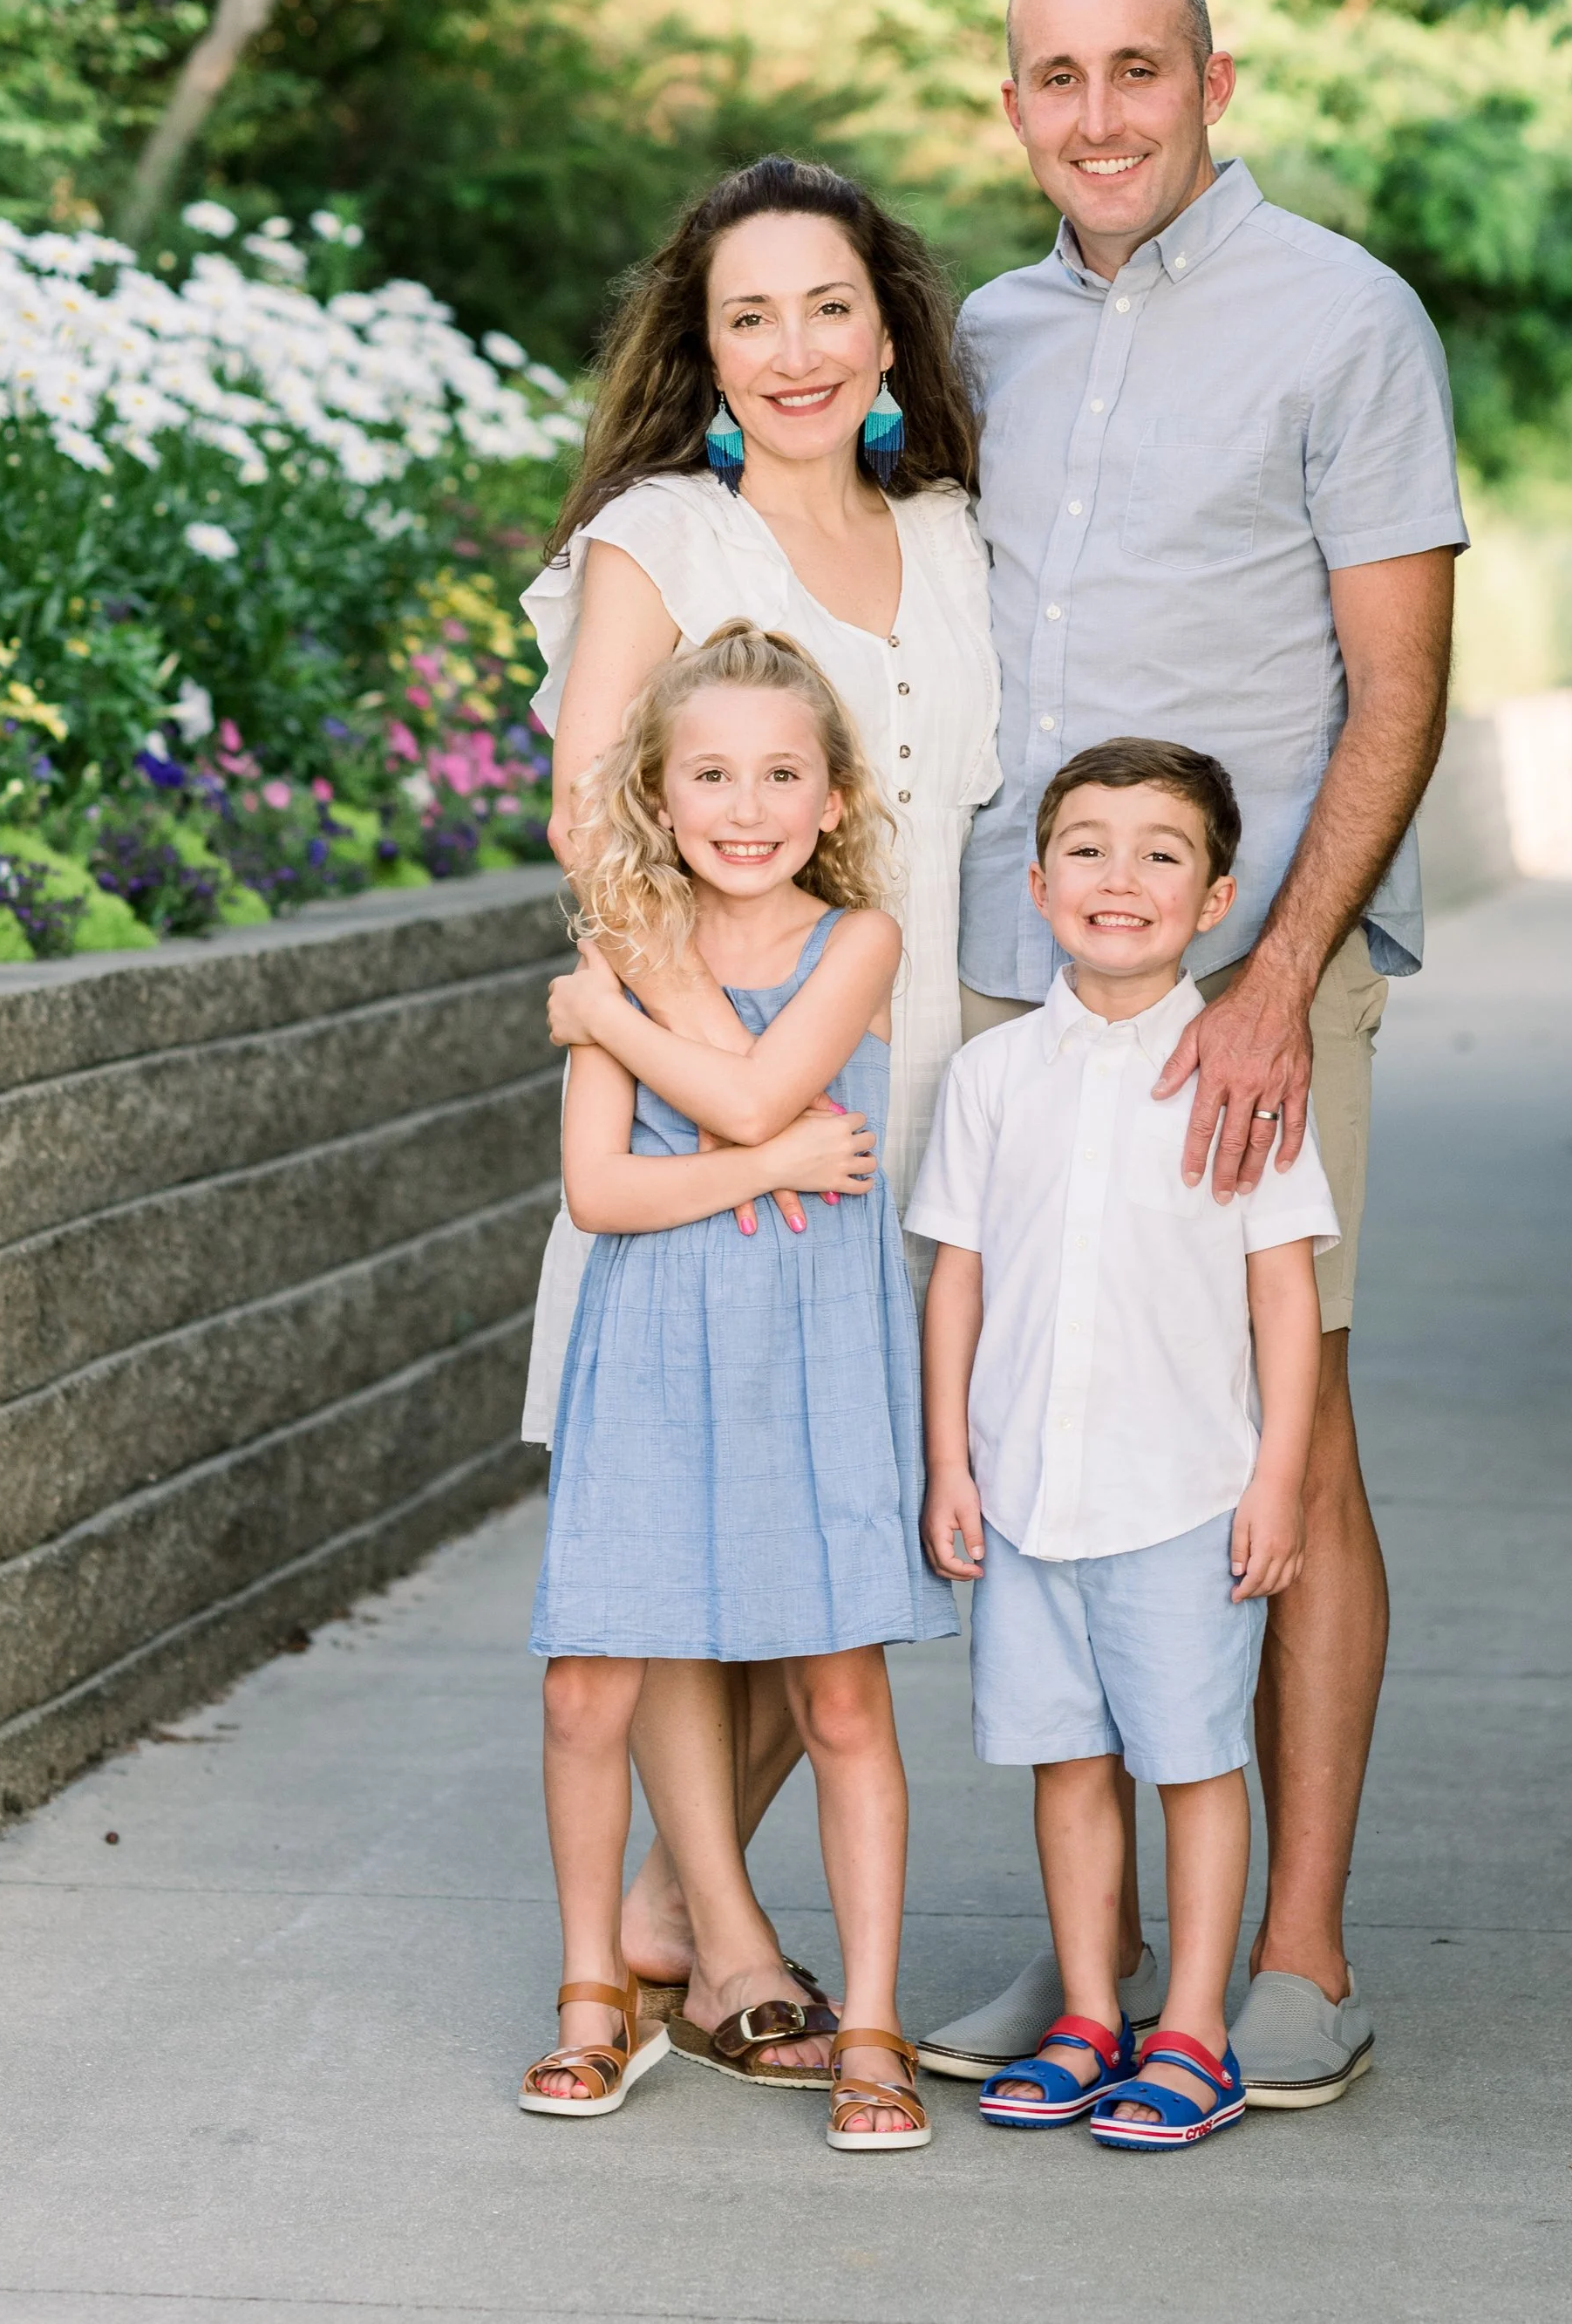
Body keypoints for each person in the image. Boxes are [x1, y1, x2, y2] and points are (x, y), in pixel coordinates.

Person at [919, 0, 1466, 2109]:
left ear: (1211, 80)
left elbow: (1396, 692)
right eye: (1055, 77)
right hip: (1018, 973)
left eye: (1136, 70)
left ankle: (1294, 1955)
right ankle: (1101, 1962)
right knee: (1059, 1432)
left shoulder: (1344, 315)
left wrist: (1264, 985)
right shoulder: (985, 329)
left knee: (1280, 1438)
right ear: (1013, 104)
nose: (1098, 116)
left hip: (1258, 975)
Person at [518, 156, 998, 2070]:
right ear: (701, 349)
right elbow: (592, 831)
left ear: (886, 327)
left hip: (920, 1112)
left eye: (826, 308)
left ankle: (652, 1904)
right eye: (748, 315)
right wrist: (715, 1079)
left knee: (839, 1553)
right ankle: (715, 1937)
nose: (792, 350)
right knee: (670, 1536)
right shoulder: (661, 536)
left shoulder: (956, 537)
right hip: (702, 1121)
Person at [523, 623, 951, 2150]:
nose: (747, 804)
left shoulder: (862, 944)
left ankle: (877, 2028)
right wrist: (762, 1163)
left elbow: (771, 1090)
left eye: (782, 773)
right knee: (591, 1681)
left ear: (836, 798)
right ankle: (593, 1992)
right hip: (646, 1351)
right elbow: (598, 1195)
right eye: (710, 773)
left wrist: (614, 1027)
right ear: (656, 789)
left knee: (841, 1693)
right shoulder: (627, 948)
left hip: (811, 1355)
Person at [914, 739, 1331, 2150]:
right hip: (1028, 1495)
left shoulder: (1247, 1076)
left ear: (1217, 900)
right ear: (1036, 885)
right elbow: (957, 1278)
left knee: (1195, 1758)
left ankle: (1198, 2031)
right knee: (1067, 1759)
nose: (1121, 876)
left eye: (1163, 853)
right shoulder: (993, 1075)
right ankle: (1094, 2009)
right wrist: (951, 1466)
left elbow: (1284, 1290)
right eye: (1088, 846)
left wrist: (1277, 1479)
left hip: (1183, 1497)